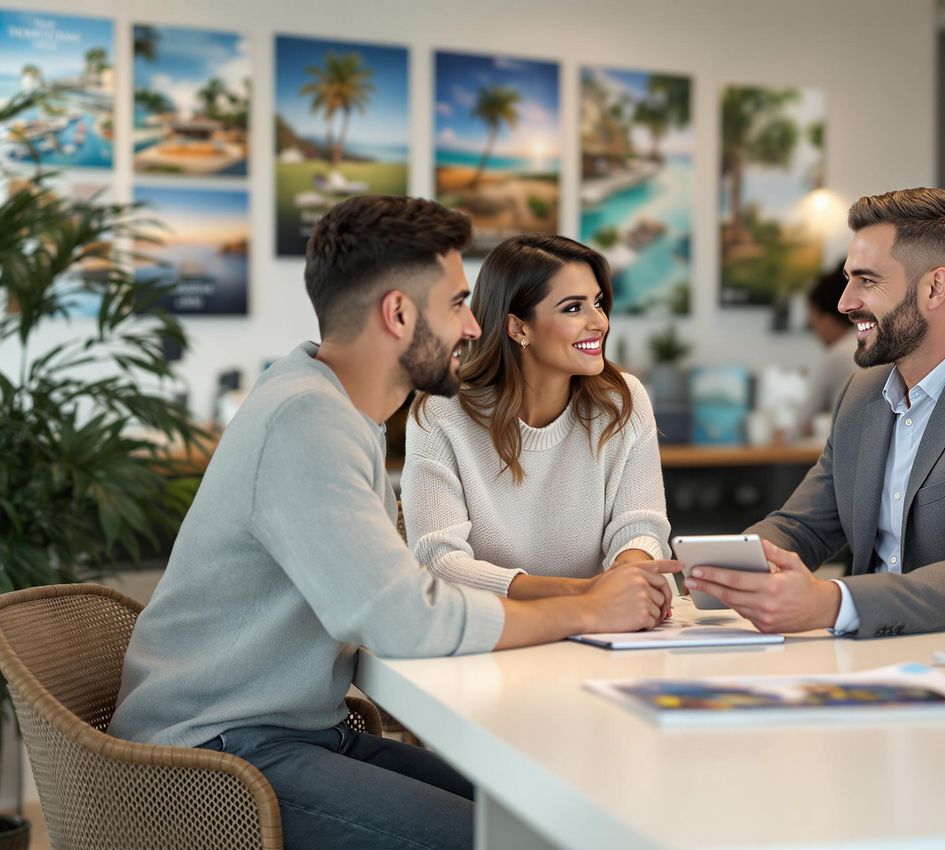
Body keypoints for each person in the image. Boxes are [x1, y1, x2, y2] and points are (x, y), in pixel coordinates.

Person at [108, 196, 679, 850]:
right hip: (218, 755)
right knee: (510, 837)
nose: (472, 327)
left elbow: (394, 594)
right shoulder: (306, 422)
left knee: (542, 814)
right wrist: (586, 611)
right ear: (400, 313)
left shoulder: (335, 408)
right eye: (458, 304)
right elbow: (405, 617)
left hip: (293, 731)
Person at [685, 187, 945, 638]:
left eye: (867, 281)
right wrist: (715, 572)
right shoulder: (864, 392)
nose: (845, 302)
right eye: (848, 279)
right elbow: (804, 525)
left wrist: (831, 602)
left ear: (935, 287)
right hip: (881, 659)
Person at [403, 234, 672, 601]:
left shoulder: (622, 400)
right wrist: (586, 595)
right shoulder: (441, 412)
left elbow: (640, 526)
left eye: (597, 303)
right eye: (573, 308)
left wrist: (629, 580)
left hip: (600, 630)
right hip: (496, 633)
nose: (600, 322)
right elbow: (439, 561)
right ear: (518, 328)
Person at [793, 260, 859, 438]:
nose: (817, 335)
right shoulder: (871, 342)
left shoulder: (838, 356)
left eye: (813, 326)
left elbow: (801, 424)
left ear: (827, 319)